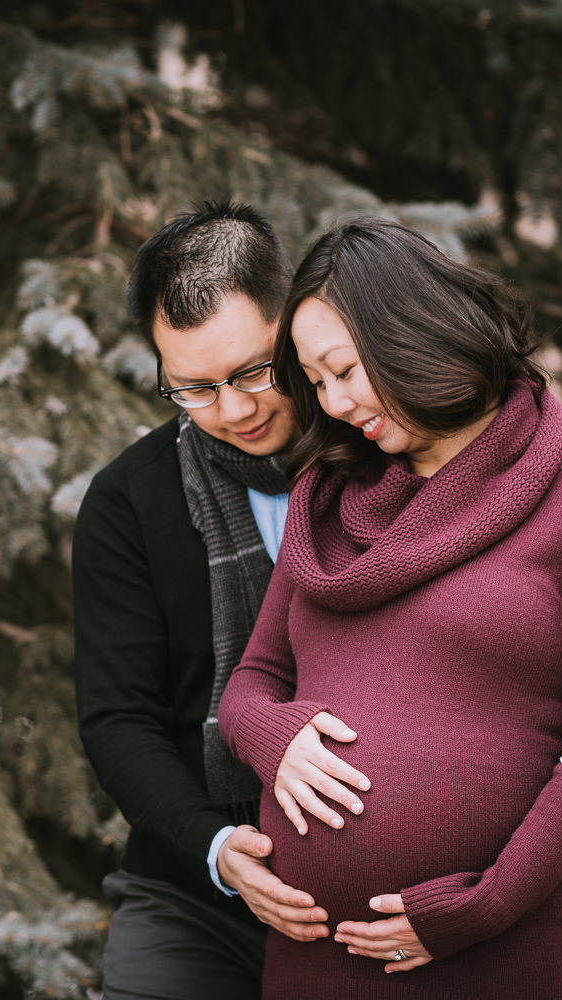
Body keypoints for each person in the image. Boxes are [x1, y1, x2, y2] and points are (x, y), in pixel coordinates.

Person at [219, 217, 562, 999]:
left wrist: (485, 907)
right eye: (315, 382)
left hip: (486, 956)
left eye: (344, 369)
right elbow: (253, 679)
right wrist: (272, 734)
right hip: (310, 958)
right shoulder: (326, 498)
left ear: (407, 333)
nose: (334, 401)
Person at [73, 202, 372, 999]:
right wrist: (215, 847)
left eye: (252, 371)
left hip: (375, 888)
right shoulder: (126, 502)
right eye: (194, 389)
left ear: (294, 326)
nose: (234, 411)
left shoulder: (383, 456)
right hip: (194, 888)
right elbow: (118, 718)